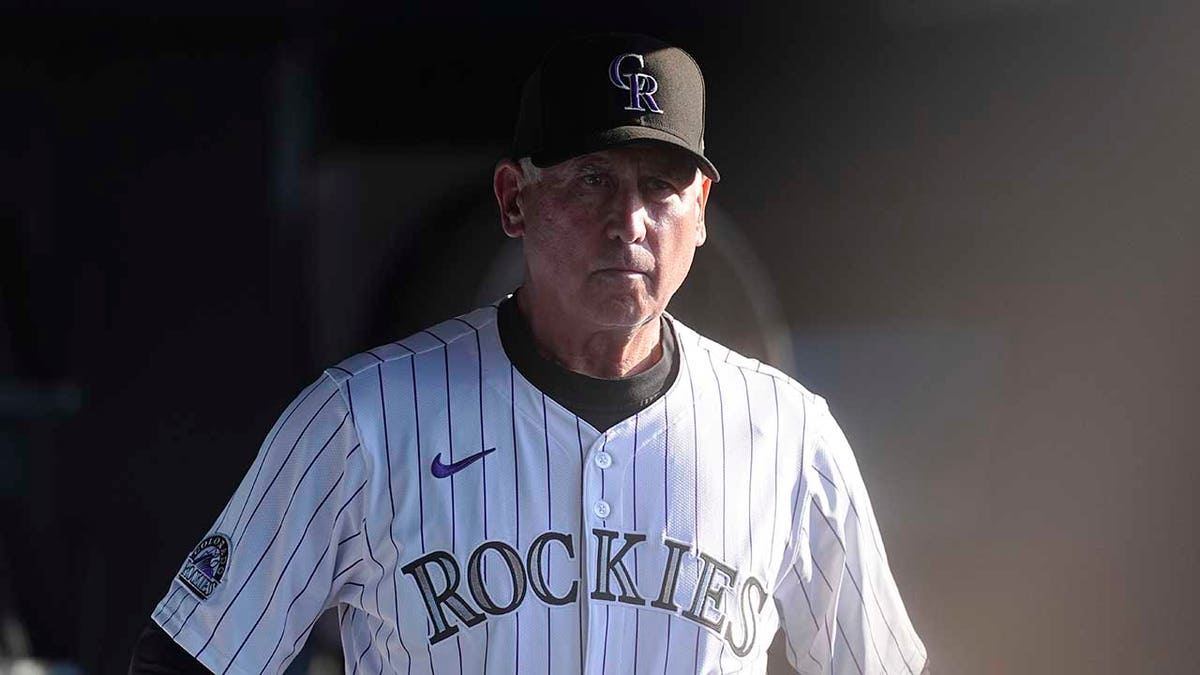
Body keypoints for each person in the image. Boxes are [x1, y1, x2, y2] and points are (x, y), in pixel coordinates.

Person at [130, 32, 928, 675]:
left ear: (701, 210)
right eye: (591, 180)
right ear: (515, 198)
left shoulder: (788, 434)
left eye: (661, 185)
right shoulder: (360, 419)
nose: (631, 221)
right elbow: (193, 656)